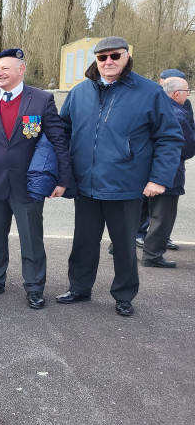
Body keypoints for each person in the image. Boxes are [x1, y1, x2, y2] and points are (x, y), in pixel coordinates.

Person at [56, 37, 183, 317]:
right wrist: (63, 174)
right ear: (96, 60)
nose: (109, 62)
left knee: (124, 245)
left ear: (127, 56)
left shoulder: (149, 92)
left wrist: (159, 178)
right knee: (83, 242)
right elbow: (63, 132)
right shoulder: (80, 92)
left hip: (125, 185)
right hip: (86, 184)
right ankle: (79, 287)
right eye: (102, 57)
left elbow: (170, 137)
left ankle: (124, 294)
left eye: (115, 55)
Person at [0, 48, 72, 310]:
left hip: (29, 184)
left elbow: (58, 141)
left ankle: (34, 287)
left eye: (4, 68)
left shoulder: (41, 100)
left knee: (31, 238)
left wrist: (62, 179)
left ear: (21, 69)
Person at [132, 68, 192, 251]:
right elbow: (188, 146)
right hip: (167, 171)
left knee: (140, 211)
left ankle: (123, 243)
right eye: (186, 92)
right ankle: (153, 253)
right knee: (162, 215)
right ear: (176, 93)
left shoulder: (150, 105)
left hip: (145, 169)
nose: (188, 95)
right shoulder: (177, 113)